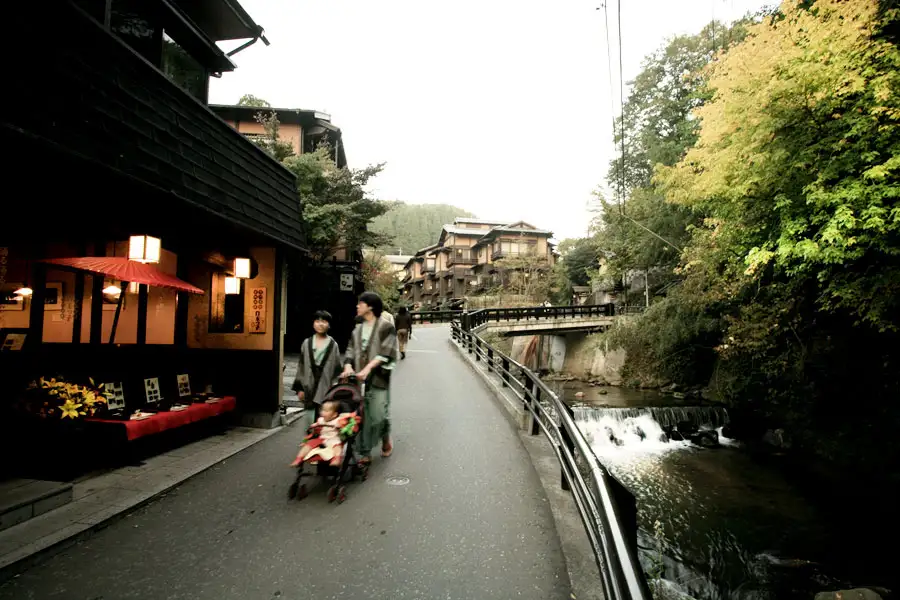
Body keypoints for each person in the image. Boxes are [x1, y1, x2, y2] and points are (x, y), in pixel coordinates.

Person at [342, 291, 399, 463]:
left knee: (379, 415)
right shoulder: (357, 329)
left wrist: (368, 368)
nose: (357, 306)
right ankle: (365, 451)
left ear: (371, 306)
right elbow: (350, 350)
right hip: (358, 379)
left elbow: (387, 352)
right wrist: (348, 365)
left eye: (360, 303)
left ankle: (385, 438)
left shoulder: (386, 327)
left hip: (379, 378)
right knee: (362, 414)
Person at [291, 310, 343, 431]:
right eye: (317, 321)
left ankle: (322, 446)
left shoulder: (333, 345)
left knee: (324, 422)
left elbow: (336, 369)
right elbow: (301, 367)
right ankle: (310, 444)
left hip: (326, 388)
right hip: (308, 387)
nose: (320, 324)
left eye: (324, 321)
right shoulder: (306, 343)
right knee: (309, 423)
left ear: (329, 325)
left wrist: (335, 389)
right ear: (313, 323)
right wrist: (299, 388)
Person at [289, 400, 356, 467]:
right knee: (308, 445)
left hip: (334, 438)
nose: (323, 413)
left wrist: (344, 425)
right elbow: (316, 425)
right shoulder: (321, 420)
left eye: (326, 411)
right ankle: (298, 459)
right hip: (322, 438)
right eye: (322, 410)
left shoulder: (338, 421)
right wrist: (313, 427)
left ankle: (336, 459)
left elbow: (346, 424)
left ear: (334, 414)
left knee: (338, 447)